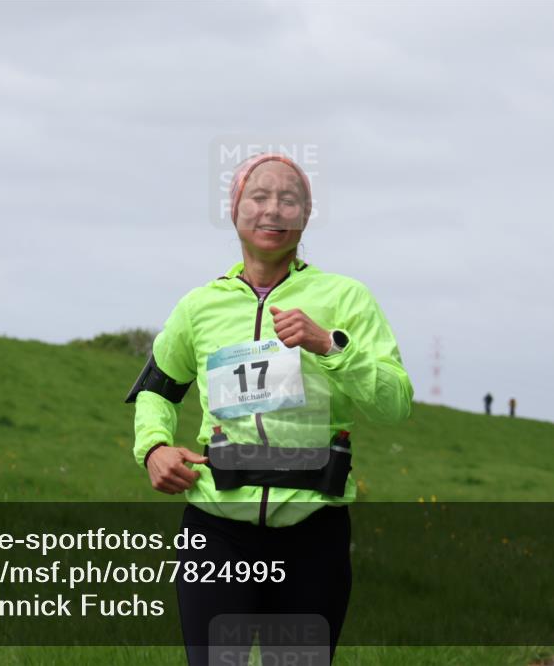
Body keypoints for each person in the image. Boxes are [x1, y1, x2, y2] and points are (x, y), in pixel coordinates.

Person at [127, 153, 414, 664]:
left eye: (289, 199)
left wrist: (330, 345)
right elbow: (157, 389)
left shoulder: (346, 297)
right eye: (259, 196)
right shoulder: (199, 306)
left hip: (313, 530)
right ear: (234, 208)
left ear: (306, 216)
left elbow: (395, 404)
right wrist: (152, 448)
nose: (273, 210)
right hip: (216, 528)